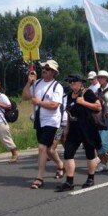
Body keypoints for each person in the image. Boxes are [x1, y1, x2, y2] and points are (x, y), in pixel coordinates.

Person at [22, 59, 65, 189]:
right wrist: (29, 82)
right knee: (49, 150)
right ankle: (60, 165)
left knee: (41, 148)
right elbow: (24, 96)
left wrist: (39, 102)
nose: (44, 70)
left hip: (52, 121)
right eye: (43, 69)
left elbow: (54, 105)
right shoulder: (37, 83)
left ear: (53, 72)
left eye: (47, 69)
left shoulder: (57, 86)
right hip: (39, 120)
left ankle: (39, 177)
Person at [55, 74, 102, 192]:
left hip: (87, 128)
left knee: (90, 153)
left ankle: (90, 178)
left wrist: (83, 102)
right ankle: (69, 181)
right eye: (70, 82)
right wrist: (66, 129)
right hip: (74, 129)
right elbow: (70, 115)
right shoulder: (70, 96)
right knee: (68, 153)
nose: (72, 84)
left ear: (81, 83)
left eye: (75, 82)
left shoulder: (88, 93)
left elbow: (98, 107)